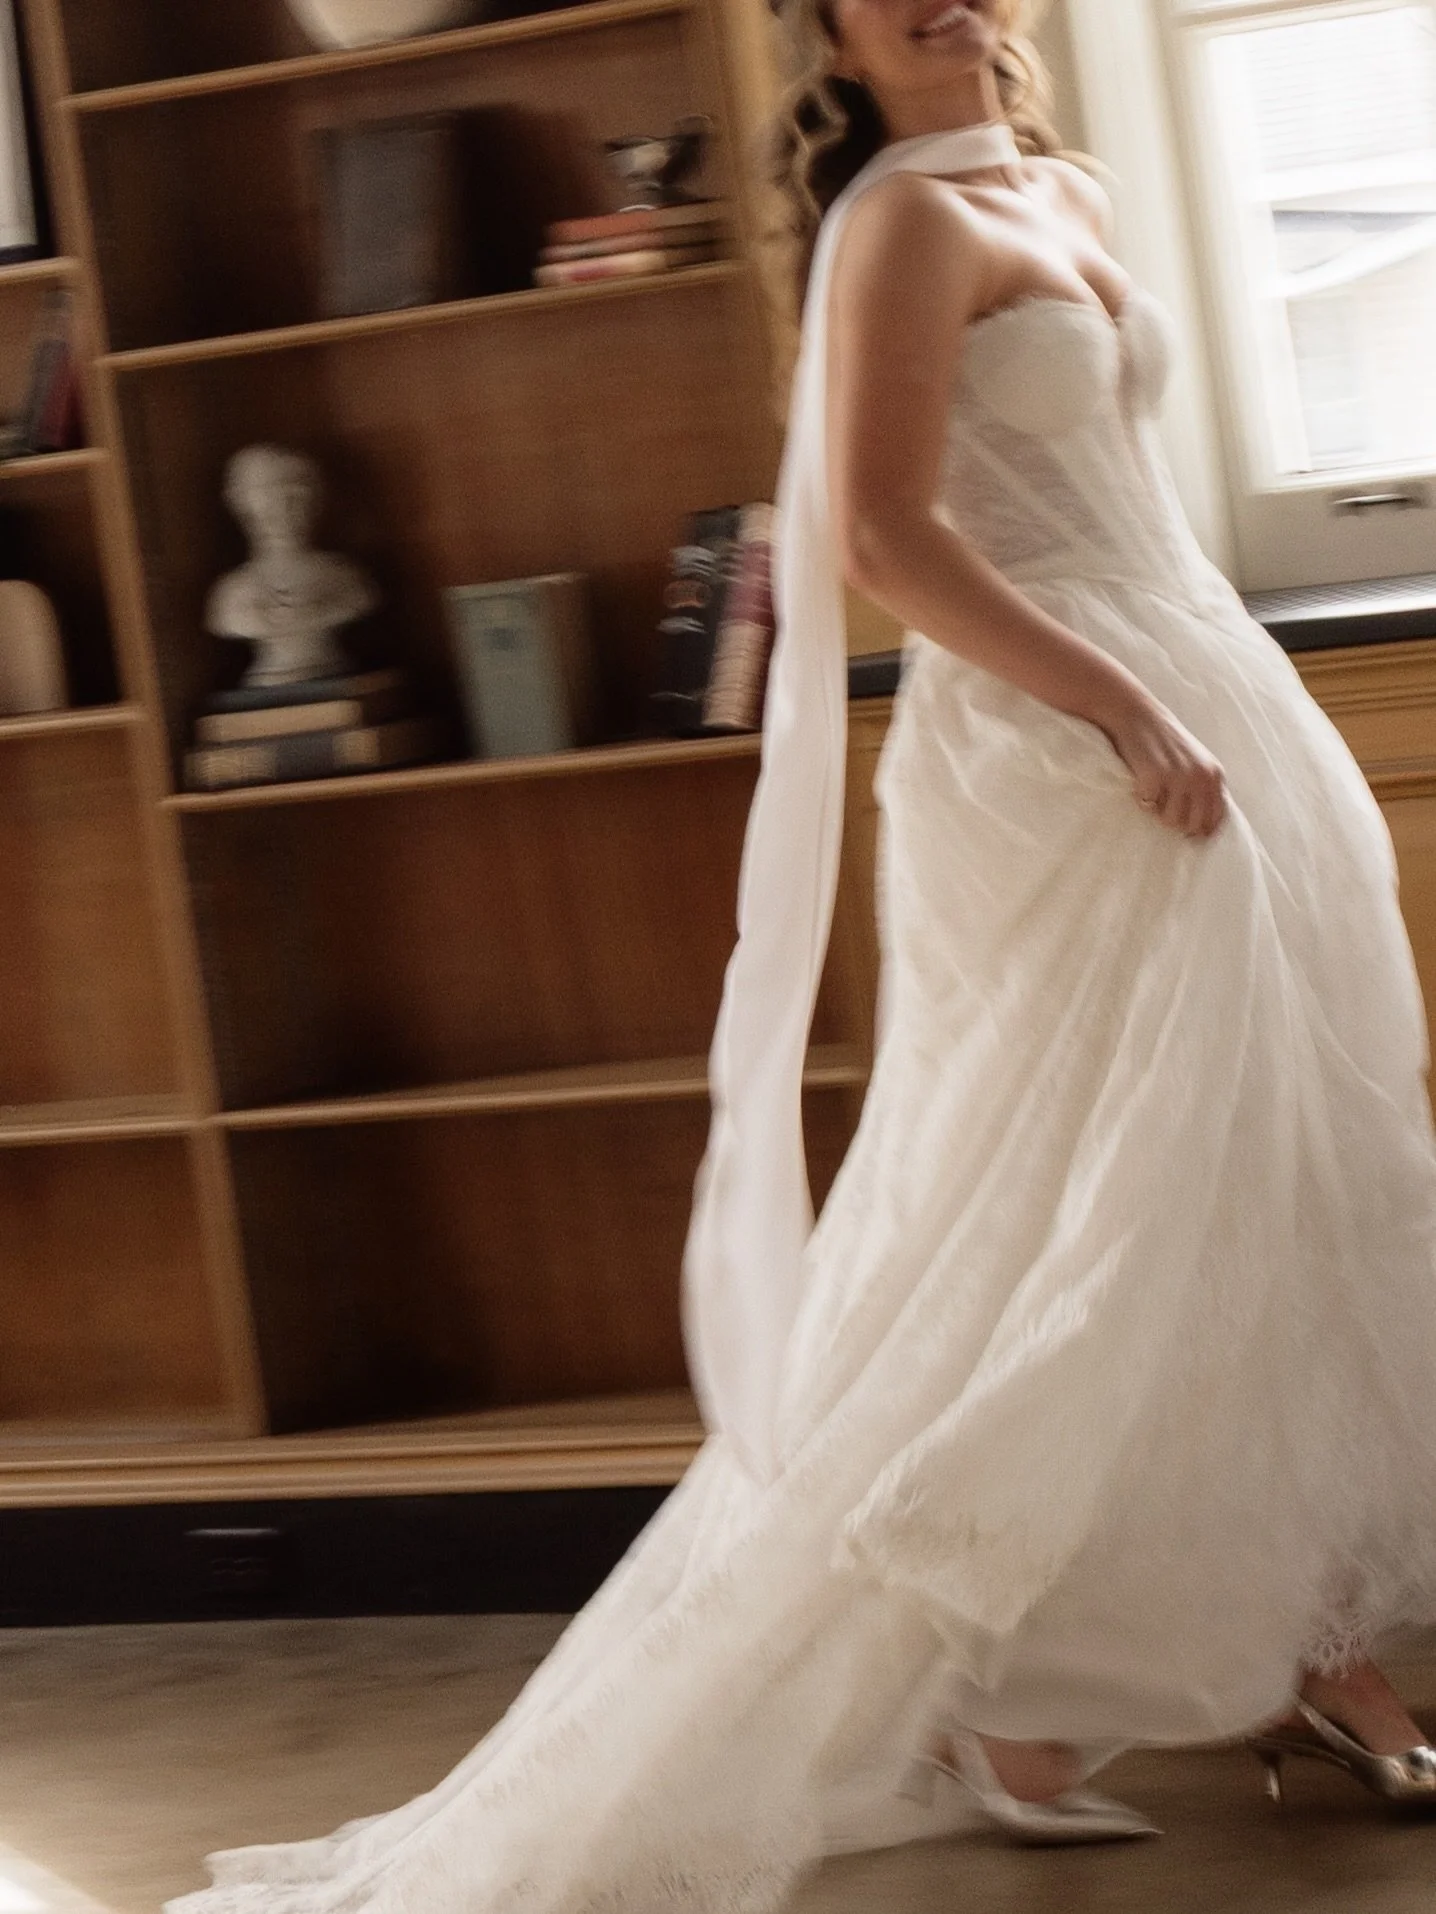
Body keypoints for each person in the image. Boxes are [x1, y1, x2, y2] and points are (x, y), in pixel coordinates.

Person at [165, 2, 1436, 1908]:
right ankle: (1112, 1680)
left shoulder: (1062, 182)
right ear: (829, 32)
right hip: (1060, 745)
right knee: (1073, 1216)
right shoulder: (901, 225)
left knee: (1282, 1184)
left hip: (1202, 695)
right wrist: (1119, 710)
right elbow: (881, 534)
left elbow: (1122, 501)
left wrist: (1217, 698)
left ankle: (1243, 1662)